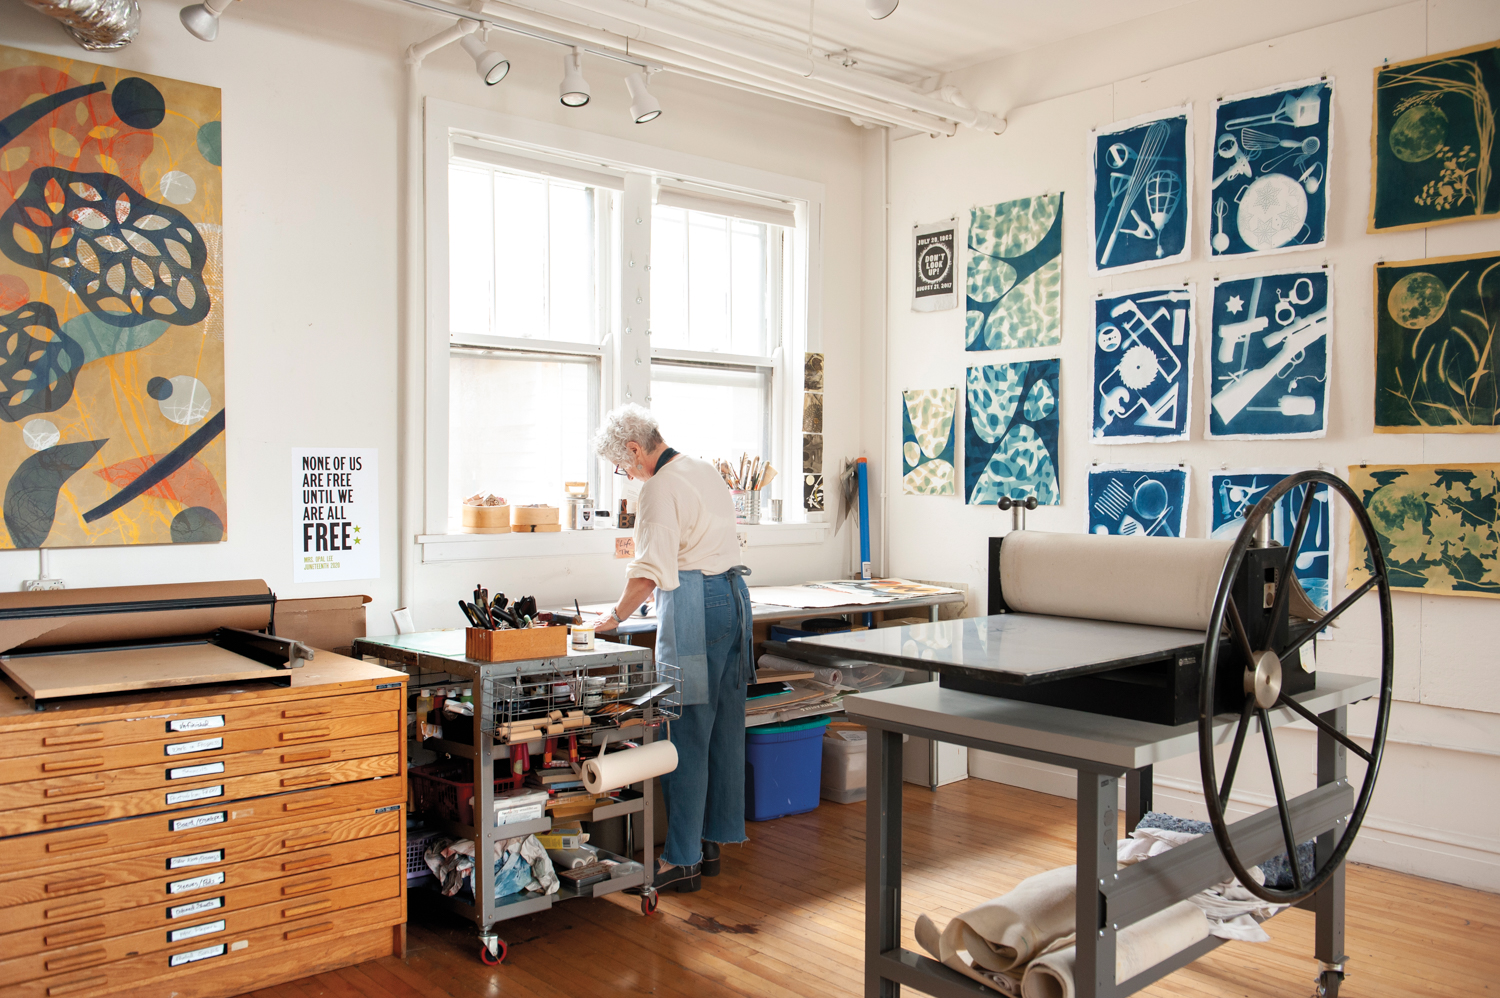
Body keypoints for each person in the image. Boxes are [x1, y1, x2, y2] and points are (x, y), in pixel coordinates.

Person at [593, 404, 753, 894]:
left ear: (636, 450)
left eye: (623, 466)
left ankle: (680, 860)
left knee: (683, 732)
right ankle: (710, 846)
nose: (627, 475)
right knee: (723, 728)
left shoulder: (658, 488)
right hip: (731, 598)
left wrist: (613, 617)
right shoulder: (702, 468)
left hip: (695, 607)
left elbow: (648, 573)